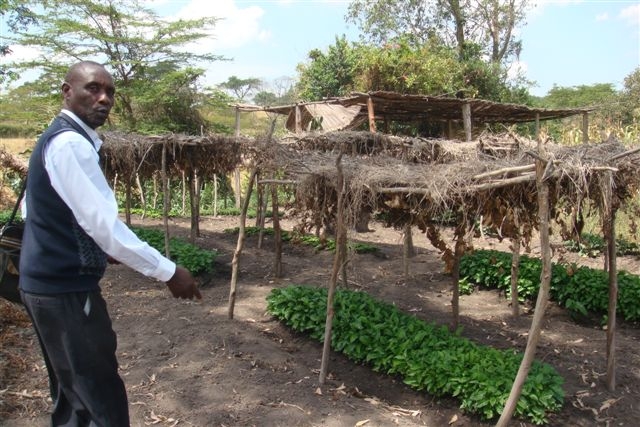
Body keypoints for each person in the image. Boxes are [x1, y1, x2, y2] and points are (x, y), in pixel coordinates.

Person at [19, 60, 202, 426]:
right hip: (65, 291)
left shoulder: (59, 137)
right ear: (67, 91)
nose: (104, 98)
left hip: (47, 287)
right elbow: (105, 227)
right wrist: (169, 272)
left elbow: (35, 209)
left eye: (110, 92)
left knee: (72, 394)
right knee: (100, 398)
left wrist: (87, 242)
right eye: (93, 88)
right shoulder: (71, 144)